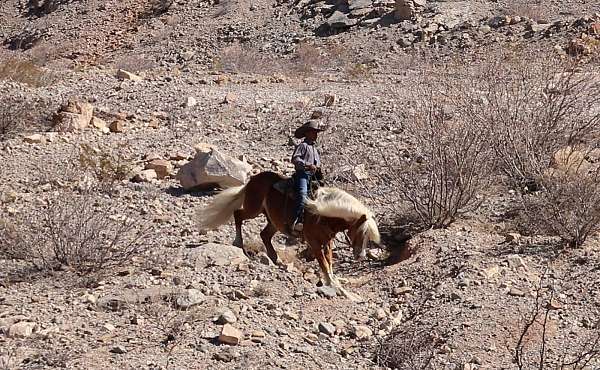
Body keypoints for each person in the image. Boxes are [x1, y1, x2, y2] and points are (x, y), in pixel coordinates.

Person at [291, 119, 324, 233]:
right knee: (303, 194)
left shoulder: (315, 149)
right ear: (307, 133)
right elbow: (295, 159)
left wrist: (318, 167)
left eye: (316, 132)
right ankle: (297, 221)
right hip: (303, 174)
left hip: (314, 177)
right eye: (313, 132)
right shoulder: (303, 146)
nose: (315, 135)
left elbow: (318, 163)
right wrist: (307, 165)